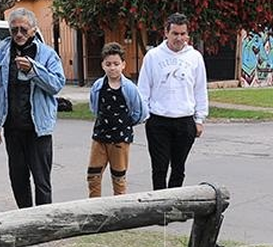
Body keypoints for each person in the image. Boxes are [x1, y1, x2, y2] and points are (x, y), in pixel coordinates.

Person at [0, 8, 66, 208]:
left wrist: (33, 70)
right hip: (12, 128)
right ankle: (24, 221)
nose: (19, 34)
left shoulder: (47, 54)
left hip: (38, 129)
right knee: (18, 179)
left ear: (33, 30)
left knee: (42, 181)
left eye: (23, 29)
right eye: (14, 30)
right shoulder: (1, 53)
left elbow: (56, 84)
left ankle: (45, 224)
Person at [137, 12, 208, 190]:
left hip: (185, 120)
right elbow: (143, 89)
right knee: (159, 168)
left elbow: (200, 89)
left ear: (188, 35)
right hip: (158, 120)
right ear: (166, 33)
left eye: (183, 34)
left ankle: (173, 206)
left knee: (178, 168)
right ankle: (159, 206)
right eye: (175, 33)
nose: (179, 38)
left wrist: (199, 120)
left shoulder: (195, 58)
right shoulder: (153, 57)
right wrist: (145, 115)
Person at [86, 42, 148, 197]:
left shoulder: (129, 88)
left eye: (116, 64)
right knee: (93, 175)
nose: (112, 68)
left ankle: (119, 206)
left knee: (118, 177)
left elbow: (140, 111)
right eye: (108, 64)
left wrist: (127, 124)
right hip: (100, 136)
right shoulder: (98, 86)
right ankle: (94, 206)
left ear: (123, 65)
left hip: (120, 138)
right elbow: (94, 107)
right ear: (103, 65)